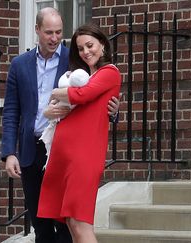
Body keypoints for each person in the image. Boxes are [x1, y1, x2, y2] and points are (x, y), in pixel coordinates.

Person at [1, 7, 119, 243]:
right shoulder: (20, 64)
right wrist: (9, 153)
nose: (54, 38)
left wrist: (114, 112)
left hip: (67, 151)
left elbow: (93, 98)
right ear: (37, 31)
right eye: (48, 32)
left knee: (68, 224)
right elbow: (11, 111)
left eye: (58, 32)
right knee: (41, 223)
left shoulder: (76, 60)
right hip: (32, 150)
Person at [37, 23, 121, 243]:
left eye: (90, 45)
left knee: (80, 221)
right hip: (65, 155)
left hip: (84, 156)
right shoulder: (80, 75)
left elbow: (82, 95)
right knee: (71, 222)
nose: (86, 52)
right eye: (81, 48)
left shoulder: (109, 72)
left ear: (102, 44)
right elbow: (61, 106)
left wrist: (56, 91)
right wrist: (51, 106)